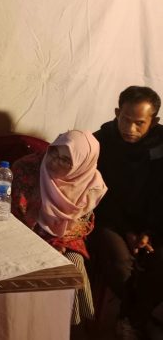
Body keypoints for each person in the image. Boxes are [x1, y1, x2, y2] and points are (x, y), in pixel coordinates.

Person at [11, 130, 107, 325]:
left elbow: (83, 223)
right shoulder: (27, 168)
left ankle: (66, 325)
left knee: (74, 263)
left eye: (65, 160)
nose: (54, 160)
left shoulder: (91, 184)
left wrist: (59, 242)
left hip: (67, 237)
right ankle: (50, 323)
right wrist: (47, 244)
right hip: (26, 232)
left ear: (81, 165)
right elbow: (16, 213)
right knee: (60, 265)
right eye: (53, 151)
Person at [90, 86, 163, 336]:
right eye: (125, 119)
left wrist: (150, 232)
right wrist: (128, 231)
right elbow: (98, 196)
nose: (130, 128)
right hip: (111, 219)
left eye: (139, 123)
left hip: (154, 222)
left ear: (154, 122)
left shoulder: (162, 145)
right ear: (116, 113)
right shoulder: (100, 142)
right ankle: (137, 320)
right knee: (121, 266)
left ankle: (131, 319)